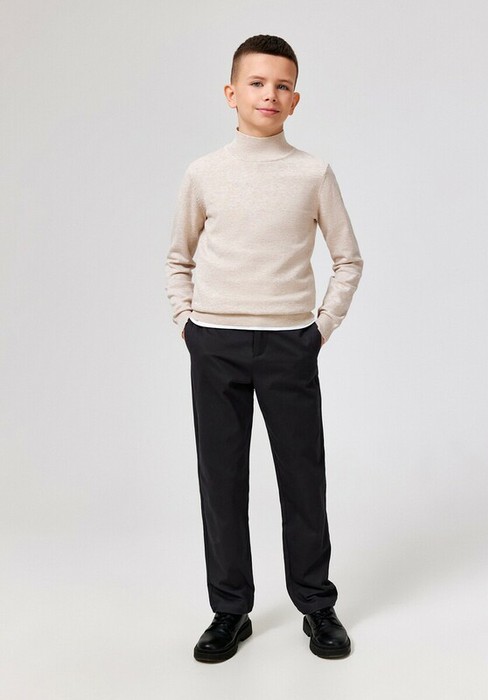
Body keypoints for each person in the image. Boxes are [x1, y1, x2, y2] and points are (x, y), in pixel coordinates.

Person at [165, 34, 363, 663]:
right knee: (221, 480)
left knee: (303, 478)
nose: (269, 94)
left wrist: (319, 329)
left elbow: (348, 259)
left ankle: (316, 604)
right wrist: (187, 324)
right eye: (256, 83)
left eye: (282, 85)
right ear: (232, 93)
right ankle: (230, 611)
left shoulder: (312, 173)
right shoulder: (204, 173)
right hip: (215, 344)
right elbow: (178, 256)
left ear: (295, 99)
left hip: (288, 345)